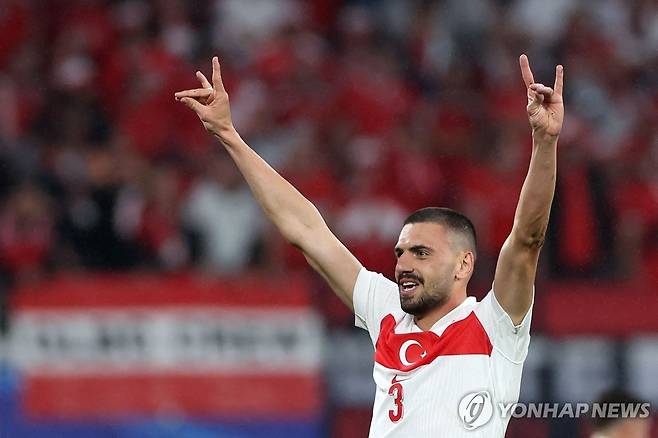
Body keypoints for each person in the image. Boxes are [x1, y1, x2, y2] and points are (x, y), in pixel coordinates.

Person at [175, 54, 564, 437]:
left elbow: (527, 239)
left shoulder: (495, 327)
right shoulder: (387, 310)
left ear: (464, 265)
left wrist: (544, 142)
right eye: (401, 253)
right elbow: (307, 231)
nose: (405, 264)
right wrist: (229, 135)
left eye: (421, 253)